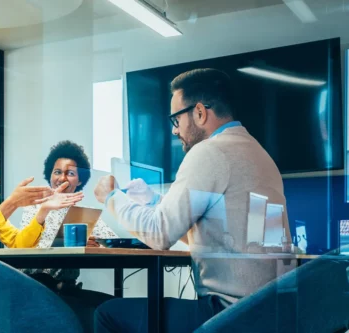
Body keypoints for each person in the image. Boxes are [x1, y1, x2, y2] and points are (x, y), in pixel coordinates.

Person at [92, 68, 291, 332]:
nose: (175, 131)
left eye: (176, 119)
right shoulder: (258, 154)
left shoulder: (209, 152)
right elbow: (221, 235)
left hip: (229, 315)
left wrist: (111, 198)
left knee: (108, 314)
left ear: (199, 112)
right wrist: (154, 201)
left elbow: (159, 234)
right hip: (269, 314)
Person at [19, 140, 116, 332]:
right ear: (50, 175)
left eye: (70, 173)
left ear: (79, 180)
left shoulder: (81, 213)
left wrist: (94, 243)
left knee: (112, 307)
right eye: (57, 172)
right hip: (36, 289)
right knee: (95, 314)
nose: (62, 177)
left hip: (69, 290)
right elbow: (26, 247)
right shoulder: (35, 207)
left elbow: (111, 241)